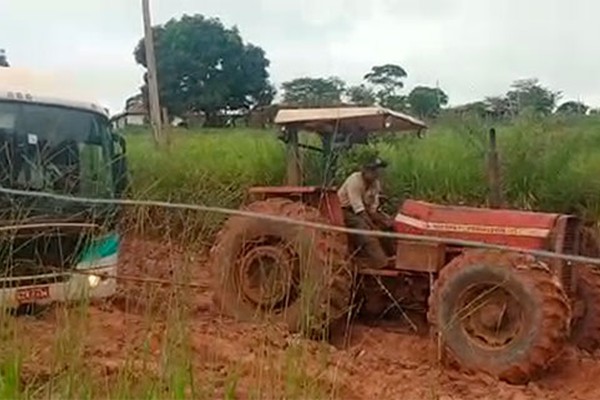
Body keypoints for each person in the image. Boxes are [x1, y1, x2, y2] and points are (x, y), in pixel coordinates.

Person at [337, 157, 393, 269]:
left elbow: (372, 208)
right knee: (364, 228)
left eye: (377, 170)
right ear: (364, 170)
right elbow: (359, 211)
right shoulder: (354, 181)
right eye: (372, 170)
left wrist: (385, 221)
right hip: (345, 210)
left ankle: (392, 255)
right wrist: (373, 227)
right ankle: (379, 260)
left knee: (387, 224)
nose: (375, 173)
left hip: (364, 211)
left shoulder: (375, 184)